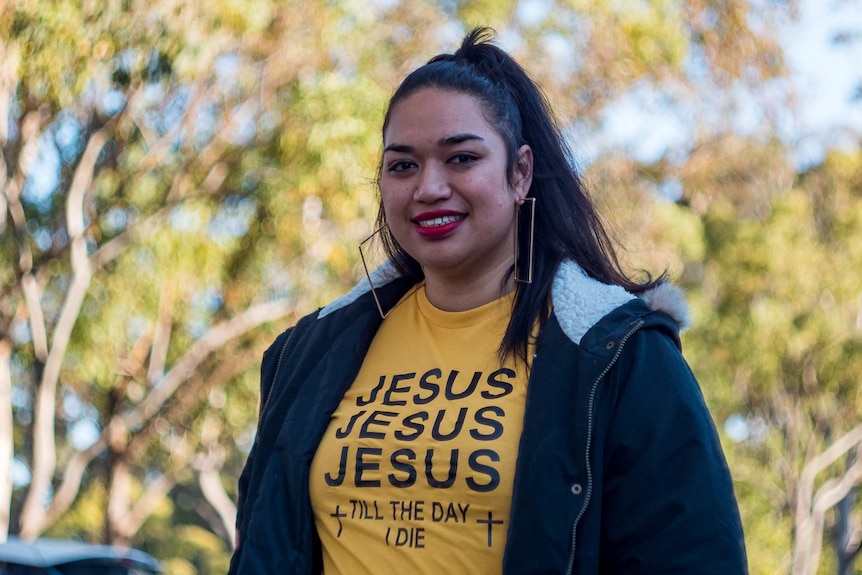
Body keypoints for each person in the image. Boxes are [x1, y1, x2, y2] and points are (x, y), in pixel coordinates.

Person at [228, 27, 748, 575]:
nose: (429, 187)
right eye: (403, 165)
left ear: (520, 172)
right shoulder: (307, 355)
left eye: (461, 159)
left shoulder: (619, 355)